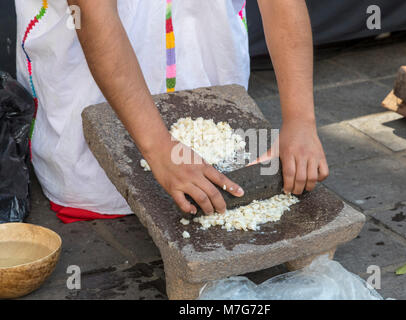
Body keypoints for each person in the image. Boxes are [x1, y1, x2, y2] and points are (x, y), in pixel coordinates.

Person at [16, 0, 329, 223]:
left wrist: (300, 119)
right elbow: (93, 12)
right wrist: (159, 148)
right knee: (104, 182)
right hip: (89, 82)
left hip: (205, 66)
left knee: (219, 162)